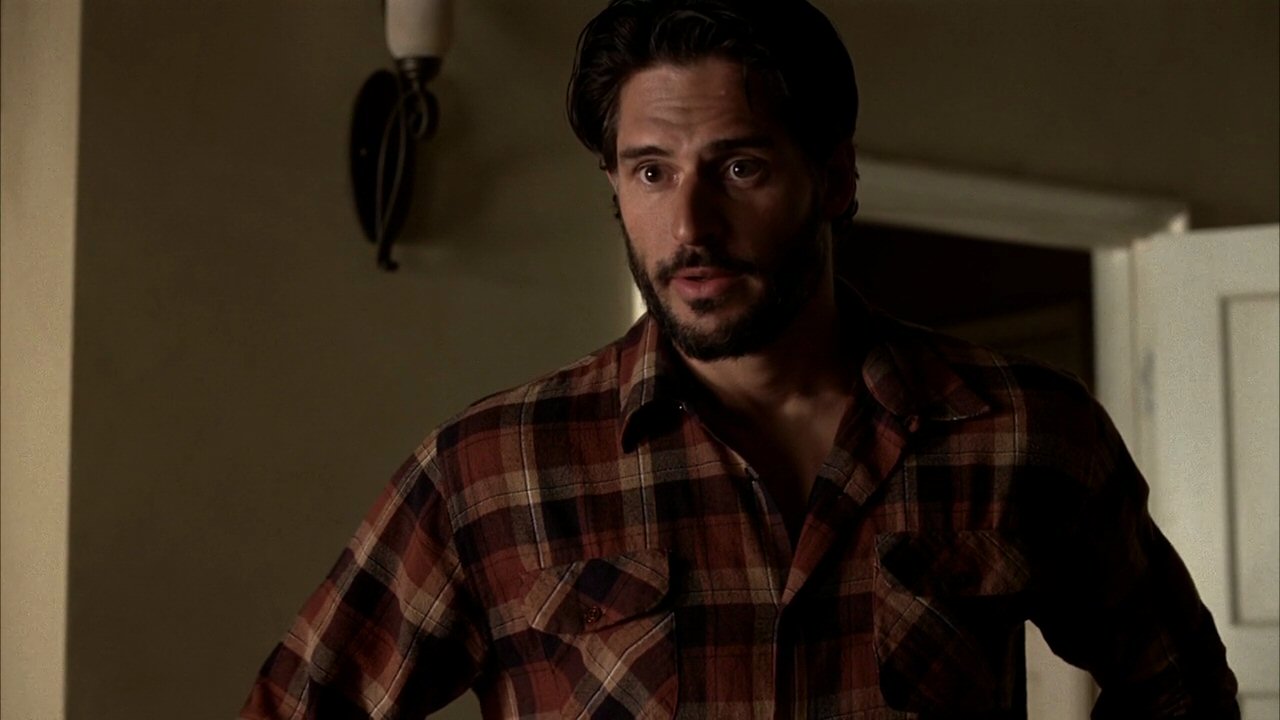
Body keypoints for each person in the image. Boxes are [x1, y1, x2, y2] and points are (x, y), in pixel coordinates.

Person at [241, 1, 1240, 717]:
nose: (689, 226)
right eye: (651, 172)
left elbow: (1181, 691)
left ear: (834, 178)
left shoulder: (1022, 430)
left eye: (740, 166)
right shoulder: (489, 470)